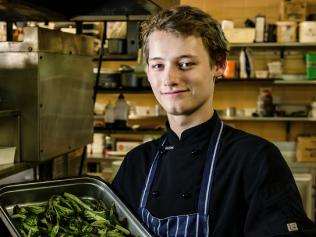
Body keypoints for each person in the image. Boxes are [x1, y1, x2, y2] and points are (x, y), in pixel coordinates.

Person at [112, 5, 316, 237]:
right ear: (148, 72)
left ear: (219, 65)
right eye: (158, 65)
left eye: (186, 64)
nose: (169, 79)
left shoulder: (255, 159)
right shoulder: (136, 164)